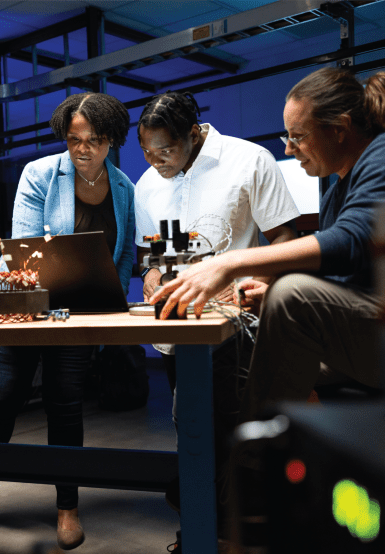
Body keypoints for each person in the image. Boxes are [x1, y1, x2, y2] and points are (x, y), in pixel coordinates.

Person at [151, 66, 385, 427]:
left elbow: (353, 242)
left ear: (338, 130)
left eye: (299, 137)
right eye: (286, 137)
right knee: (232, 363)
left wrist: (229, 264)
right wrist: (269, 290)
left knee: (293, 294)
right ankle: (233, 469)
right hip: (380, 332)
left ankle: (254, 465)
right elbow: (352, 276)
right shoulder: (340, 187)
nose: (290, 149)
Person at [0, 92, 135, 550]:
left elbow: (125, 253)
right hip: (27, 309)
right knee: (1, 398)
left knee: (66, 403)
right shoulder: (40, 174)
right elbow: (28, 250)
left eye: (92, 140)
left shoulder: (125, 187)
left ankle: (67, 507)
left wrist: (115, 300)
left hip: (81, 314)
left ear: (111, 139)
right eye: (73, 140)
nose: (82, 149)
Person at [132, 91, 300, 529]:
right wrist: (152, 276)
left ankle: (232, 536)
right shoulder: (149, 185)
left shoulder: (248, 161)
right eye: (146, 152)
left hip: (235, 326)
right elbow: (161, 253)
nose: (155, 161)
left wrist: (257, 283)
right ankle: (202, 532)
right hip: (178, 327)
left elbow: (284, 238)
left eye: (165, 150)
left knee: (234, 432)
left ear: (193, 133)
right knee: (189, 429)